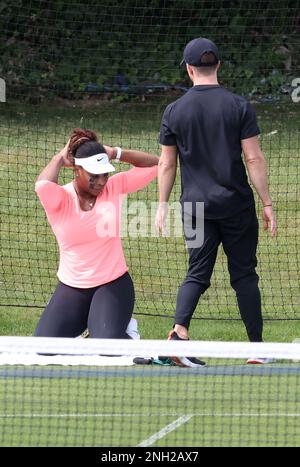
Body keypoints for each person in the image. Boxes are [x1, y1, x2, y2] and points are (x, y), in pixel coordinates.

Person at [155, 38, 277, 366]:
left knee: (196, 272)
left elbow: (167, 164)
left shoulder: (174, 110)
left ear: (189, 69)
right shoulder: (239, 106)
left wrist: (162, 204)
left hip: (193, 209)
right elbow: (254, 159)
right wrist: (267, 203)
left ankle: (178, 334)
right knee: (244, 275)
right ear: (218, 66)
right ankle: (257, 351)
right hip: (237, 207)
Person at [34, 128, 158, 339]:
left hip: (112, 284)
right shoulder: (59, 198)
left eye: (104, 174)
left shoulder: (114, 187)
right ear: (77, 170)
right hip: (72, 287)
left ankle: (125, 329)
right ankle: (93, 327)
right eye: (94, 175)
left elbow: (157, 163)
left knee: (105, 347)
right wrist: (58, 158)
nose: (101, 181)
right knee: (44, 348)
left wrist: (115, 153)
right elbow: (42, 185)